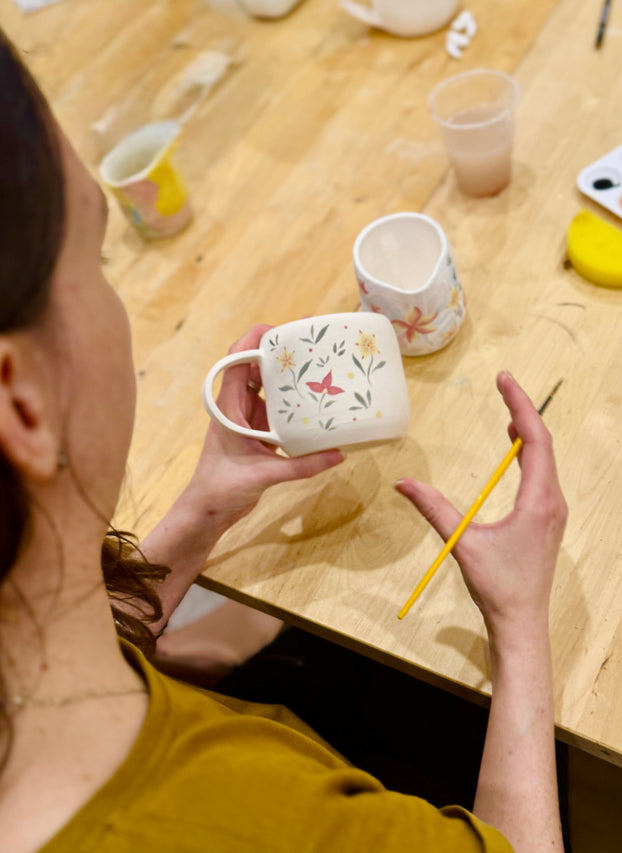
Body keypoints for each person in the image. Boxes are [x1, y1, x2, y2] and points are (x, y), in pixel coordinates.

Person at [0, 29, 567, 853]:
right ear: (21, 404)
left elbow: (88, 634)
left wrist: (202, 508)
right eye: (95, 256)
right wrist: (519, 624)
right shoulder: (276, 823)